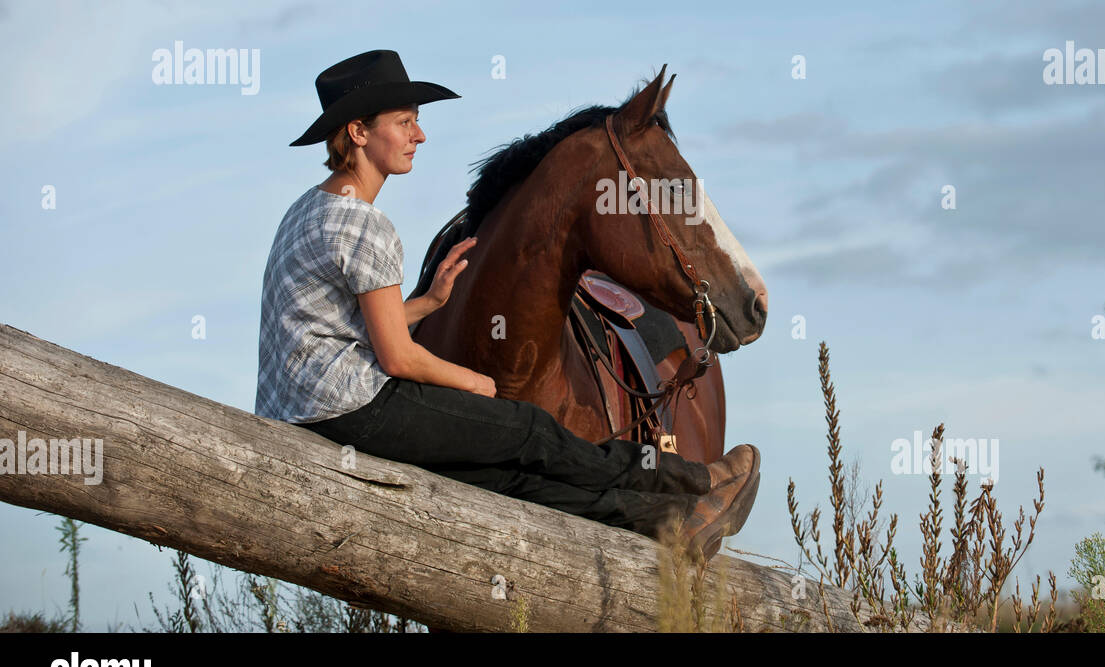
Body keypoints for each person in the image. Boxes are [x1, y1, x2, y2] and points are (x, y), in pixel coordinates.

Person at [255, 49, 760, 560]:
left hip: (300, 409)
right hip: (349, 408)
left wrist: (427, 304)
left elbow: (335, 328)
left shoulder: (309, 210)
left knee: (502, 477)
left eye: (417, 121)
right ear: (358, 133)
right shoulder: (367, 226)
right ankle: (691, 480)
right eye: (404, 122)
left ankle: (671, 520)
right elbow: (397, 359)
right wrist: (470, 382)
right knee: (529, 428)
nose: (419, 135)